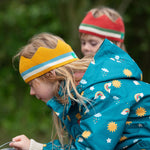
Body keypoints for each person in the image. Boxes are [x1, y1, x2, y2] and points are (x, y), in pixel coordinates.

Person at [10, 32, 150, 150]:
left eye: (32, 84)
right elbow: (81, 144)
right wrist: (35, 147)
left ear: (50, 75)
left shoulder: (102, 93)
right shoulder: (81, 96)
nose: (32, 92)